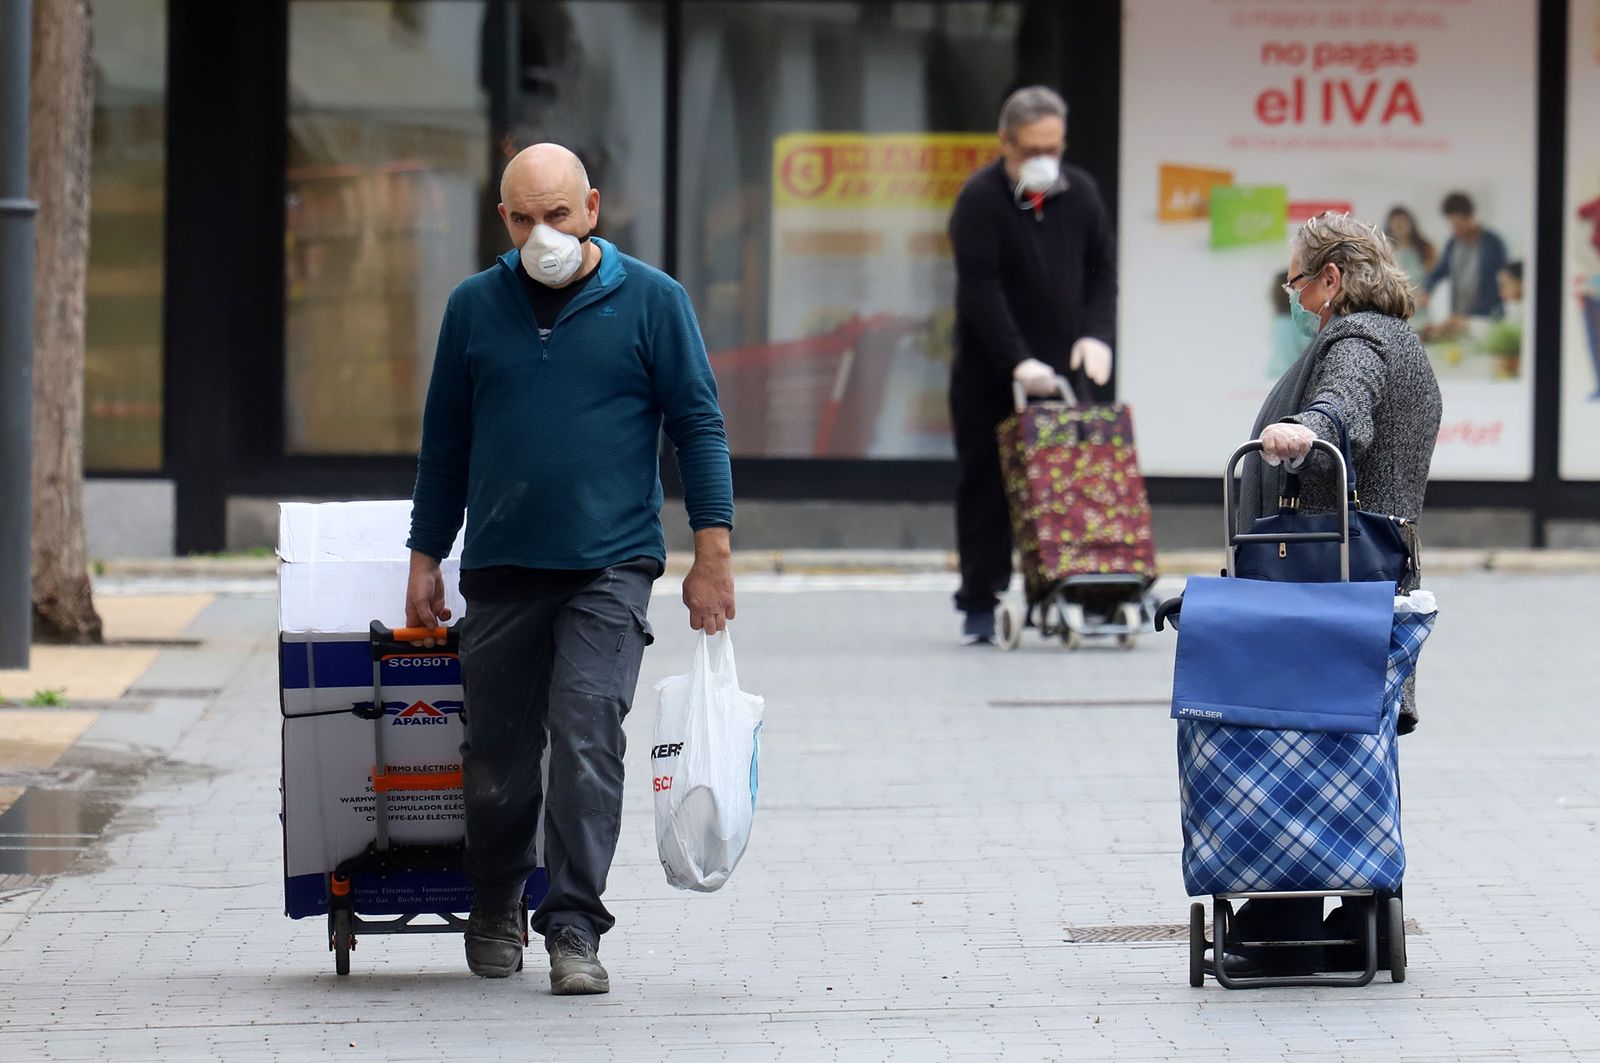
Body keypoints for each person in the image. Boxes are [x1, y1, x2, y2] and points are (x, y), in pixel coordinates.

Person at [404, 143, 736, 995]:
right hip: (506, 565)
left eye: (557, 214)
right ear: (503, 220)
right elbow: (445, 443)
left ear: (591, 208)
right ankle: (494, 897)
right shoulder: (474, 307)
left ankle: (575, 922)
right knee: (500, 755)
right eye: (523, 218)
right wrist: (425, 555)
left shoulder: (655, 303)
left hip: (610, 566)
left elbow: (698, 427)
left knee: (588, 733)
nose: (541, 233)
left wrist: (712, 556)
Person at [1232, 211, 1442, 976]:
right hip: (1371, 570)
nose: (1296, 298)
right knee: (1353, 745)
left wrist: (1306, 426)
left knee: (1303, 739)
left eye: (1299, 282)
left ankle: (1290, 916)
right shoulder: (1400, 340)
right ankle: (1351, 913)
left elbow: (1345, 404)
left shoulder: (1359, 339)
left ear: (1333, 280)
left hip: (1334, 570)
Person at [946, 85, 1117, 645]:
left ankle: (1081, 589)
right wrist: (1017, 360)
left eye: (1054, 147)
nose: (1045, 159)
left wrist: (1096, 336)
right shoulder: (980, 201)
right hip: (992, 373)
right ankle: (979, 600)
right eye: (1033, 148)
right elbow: (981, 291)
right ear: (1006, 143)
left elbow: (1100, 275)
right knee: (987, 488)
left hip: (1069, 370)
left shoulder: (1081, 194)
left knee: (1077, 484)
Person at [1422, 191, 1509, 319]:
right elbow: (1439, 271)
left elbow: (1503, 284)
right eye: (1451, 224)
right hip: (1459, 317)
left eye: (1458, 223)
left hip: (1488, 318)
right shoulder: (1452, 243)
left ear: (1471, 217)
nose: (1454, 228)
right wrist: (1427, 290)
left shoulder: (1493, 243)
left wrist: (1471, 317)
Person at [1382, 206, 1437, 295]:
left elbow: (1434, 277)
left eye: (1403, 222)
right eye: (1396, 224)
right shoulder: (1385, 251)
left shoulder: (1426, 249)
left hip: (1421, 301)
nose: (1399, 226)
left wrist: (1427, 292)